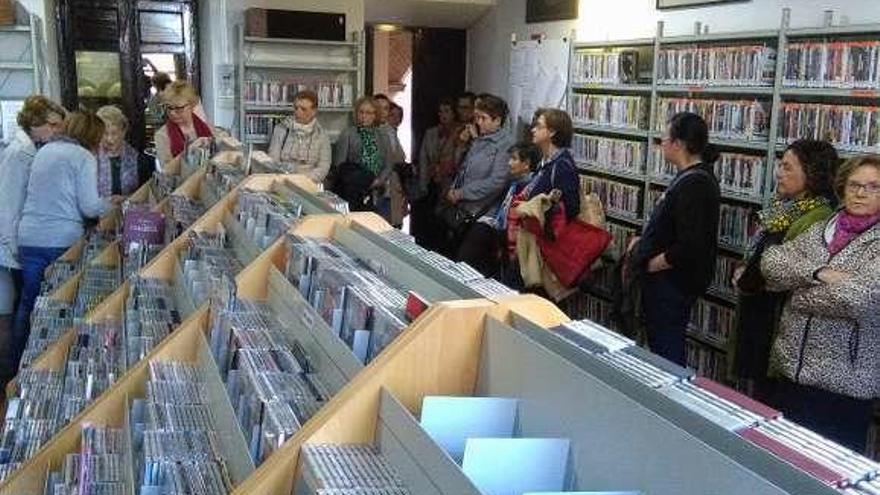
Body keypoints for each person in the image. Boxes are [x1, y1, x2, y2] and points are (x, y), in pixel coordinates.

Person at [761, 155, 880, 452]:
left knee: (828, 470)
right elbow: (771, 262)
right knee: (784, 459)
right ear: (842, 188)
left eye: (873, 186)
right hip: (793, 372)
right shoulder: (824, 227)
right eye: (854, 185)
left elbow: (861, 299)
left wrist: (796, 293)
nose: (861, 193)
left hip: (845, 385)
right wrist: (818, 272)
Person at [727, 140, 838, 401]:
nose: (779, 172)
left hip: (779, 324)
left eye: (787, 167)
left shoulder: (817, 218)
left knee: (771, 399)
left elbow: (788, 272)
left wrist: (753, 276)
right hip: (761, 314)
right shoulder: (783, 209)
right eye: (780, 165)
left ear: (811, 174)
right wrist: (746, 268)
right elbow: (761, 252)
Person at [12, 111, 115, 371]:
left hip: (29, 236)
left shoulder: (45, 150)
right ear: (92, 135)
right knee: (59, 304)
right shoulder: (83, 157)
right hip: (61, 238)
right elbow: (90, 206)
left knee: (29, 302)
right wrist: (113, 204)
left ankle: (14, 367)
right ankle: (49, 365)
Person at [630, 112, 720, 366]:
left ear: (678, 144)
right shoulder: (689, 177)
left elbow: (691, 243)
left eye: (664, 140)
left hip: (672, 284)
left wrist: (652, 263)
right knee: (659, 344)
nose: (661, 145)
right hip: (666, 282)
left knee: (666, 350)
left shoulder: (696, 184)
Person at [0, 95, 65, 384]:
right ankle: (11, 372)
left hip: (20, 243)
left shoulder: (31, 149)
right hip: (16, 246)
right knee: (23, 308)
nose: (55, 132)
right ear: (35, 123)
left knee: (24, 306)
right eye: (51, 125)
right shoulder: (19, 154)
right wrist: (15, 251)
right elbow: (9, 206)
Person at [444, 93, 514, 258]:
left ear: (497, 121)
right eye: (477, 117)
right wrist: (454, 188)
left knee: (467, 261)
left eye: (483, 118)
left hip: (485, 214)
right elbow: (464, 169)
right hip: (465, 210)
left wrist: (462, 192)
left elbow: (497, 181)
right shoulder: (480, 140)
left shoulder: (505, 145)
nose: (478, 122)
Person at [413, 97, 464, 249]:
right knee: (428, 219)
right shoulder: (431, 132)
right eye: (440, 112)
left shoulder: (460, 132)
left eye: (447, 111)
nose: (443, 115)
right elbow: (423, 158)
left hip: (449, 183)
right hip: (431, 182)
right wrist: (422, 183)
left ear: (453, 113)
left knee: (445, 220)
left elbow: (459, 160)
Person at [332, 96, 393, 211]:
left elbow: (388, 163)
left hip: (377, 189)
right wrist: (361, 180)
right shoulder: (348, 134)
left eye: (369, 113)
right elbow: (339, 164)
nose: (364, 116)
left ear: (375, 115)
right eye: (361, 112)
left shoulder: (383, 136)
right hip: (351, 190)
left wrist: (378, 181)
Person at [267, 89, 332, 183]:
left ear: (314, 111)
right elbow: (273, 159)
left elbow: (324, 166)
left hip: (309, 183)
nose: (298, 112)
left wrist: (303, 181)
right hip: (282, 181)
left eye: (303, 109)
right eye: (296, 108)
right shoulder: (281, 129)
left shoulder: (322, 135)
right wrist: (283, 179)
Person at [154, 80, 213, 168]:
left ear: (192, 106)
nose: (172, 113)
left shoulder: (208, 128)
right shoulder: (162, 135)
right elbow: (166, 171)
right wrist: (189, 152)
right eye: (169, 107)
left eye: (179, 108)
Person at [96, 105, 152, 195]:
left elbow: (147, 193)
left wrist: (126, 199)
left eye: (114, 133)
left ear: (123, 132)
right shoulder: (89, 158)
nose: (110, 139)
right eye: (105, 134)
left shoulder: (139, 161)